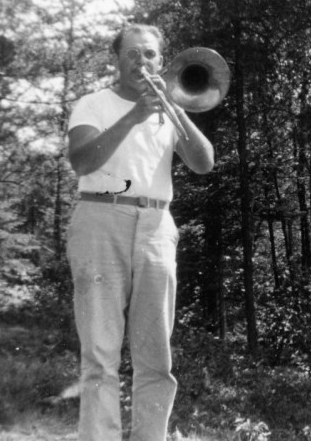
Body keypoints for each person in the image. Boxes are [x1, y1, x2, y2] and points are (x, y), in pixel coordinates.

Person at [65, 24, 214, 441]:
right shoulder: (93, 104)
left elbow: (204, 163)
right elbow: (82, 162)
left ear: (161, 61)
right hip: (100, 218)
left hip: (156, 225)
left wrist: (176, 110)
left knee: (155, 352)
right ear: (117, 60)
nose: (141, 62)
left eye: (149, 54)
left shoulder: (170, 109)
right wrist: (134, 116)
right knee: (100, 351)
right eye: (132, 54)